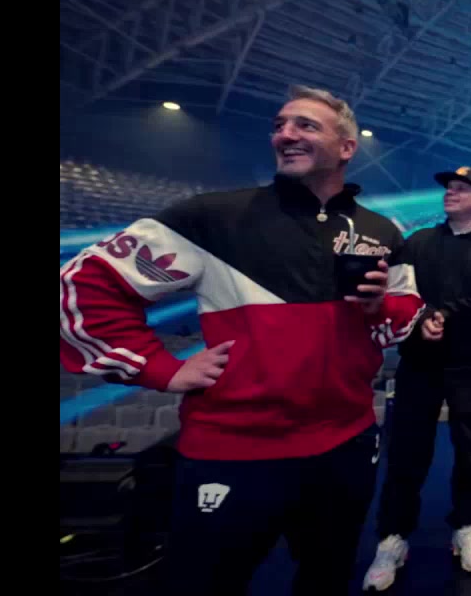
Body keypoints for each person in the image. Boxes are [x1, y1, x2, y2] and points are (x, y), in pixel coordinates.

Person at [59, 85, 425, 596]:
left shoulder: (381, 231)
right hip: (234, 448)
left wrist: (377, 308)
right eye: (279, 125)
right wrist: (162, 367)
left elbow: (404, 316)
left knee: (327, 579)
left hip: (347, 443)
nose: (285, 134)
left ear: (346, 147)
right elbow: (82, 287)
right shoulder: (211, 217)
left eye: (306, 125)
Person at [363, 166, 471, 591]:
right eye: (449, 187)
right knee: (406, 453)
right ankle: (393, 536)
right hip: (419, 362)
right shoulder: (419, 242)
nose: (451, 192)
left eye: (462, 189)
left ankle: (466, 525)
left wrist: (447, 313)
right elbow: (400, 292)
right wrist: (424, 318)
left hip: (470, 364)